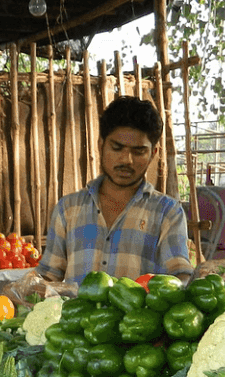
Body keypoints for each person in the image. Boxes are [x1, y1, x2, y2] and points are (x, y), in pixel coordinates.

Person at [37, 96, 193, 284]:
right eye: (117, 148)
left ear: (153, 153)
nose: (127, 160)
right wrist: (26, 289)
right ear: (101, 145)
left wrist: (188, 285)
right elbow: (48, 275)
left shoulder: (167, 212)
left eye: (138, 151)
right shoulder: (68, 209)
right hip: (74, 313)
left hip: (139, 314)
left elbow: (178, 274)